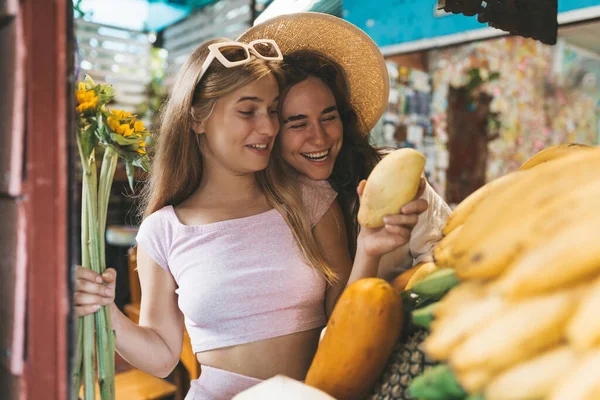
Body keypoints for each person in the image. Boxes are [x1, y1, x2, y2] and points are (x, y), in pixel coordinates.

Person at [73, 33, 427, 399]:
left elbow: (345, 323)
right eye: (248, 111)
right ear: (197, 118)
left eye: (272, 110)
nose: (269, 127)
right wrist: (106, 313)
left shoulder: (309, 198)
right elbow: (162, 357)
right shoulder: (162, 231)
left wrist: (369, 249)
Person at [239, 13, 451, 280]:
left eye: (329, 117)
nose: (319, 138)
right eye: (297, 124)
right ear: (271, 130)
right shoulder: (255, 201)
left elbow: (448, 254)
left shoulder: (389, 174)